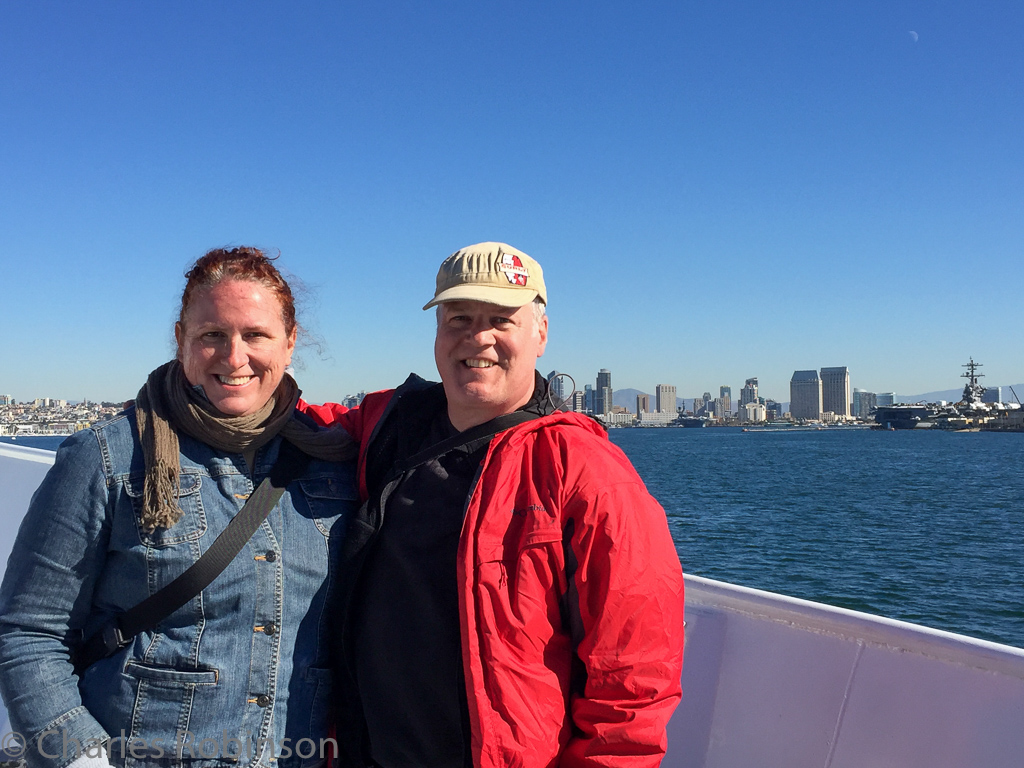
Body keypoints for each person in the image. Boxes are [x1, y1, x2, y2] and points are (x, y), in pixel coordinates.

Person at [302, 242, 685, 768]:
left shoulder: (588, 475)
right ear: (437, 331)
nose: (478, 337)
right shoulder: (387, 426)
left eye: (501, 320)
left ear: (541, 334)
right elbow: (283, 419)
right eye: (459, 317)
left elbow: (633, 682)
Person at [0, 247, 358, 768]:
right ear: (181, 339)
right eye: (212, 334)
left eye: (255, 335)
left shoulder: (331, 463)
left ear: (290, 342)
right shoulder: (107, 458)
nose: (235, 357)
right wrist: (79, 757)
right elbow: (28, 630)